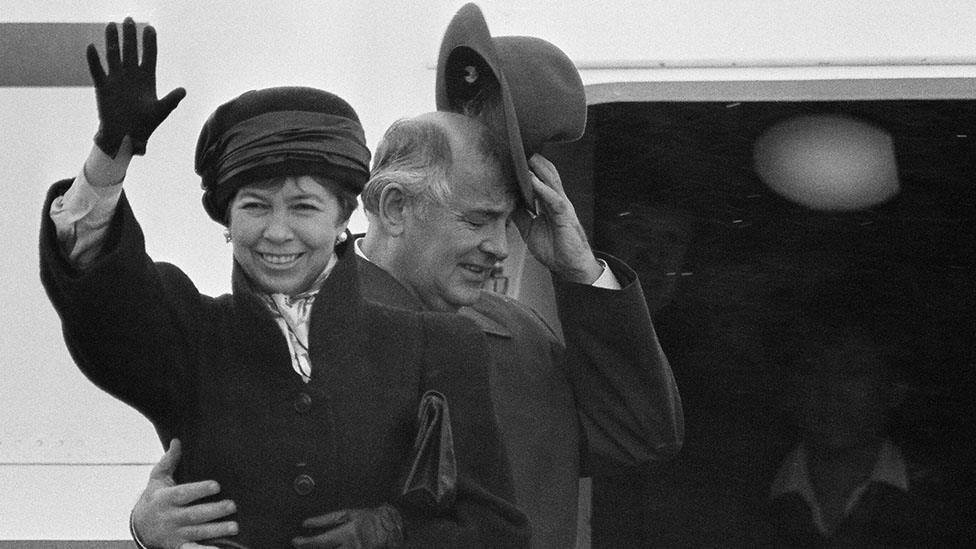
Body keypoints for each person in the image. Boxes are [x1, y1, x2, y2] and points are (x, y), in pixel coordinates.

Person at [132, 4, 684, 548]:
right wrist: (147, 532)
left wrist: (581, 269)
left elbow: (640, 436)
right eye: (477, 219)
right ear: (395, 208)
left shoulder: (520, 335)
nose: (498, 247)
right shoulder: (269, 332)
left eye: (508, 220)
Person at [39, 18, 528, 548]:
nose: (277, 231)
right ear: (227, 222)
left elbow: (498, 533)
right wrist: (111, 157)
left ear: (344, 216)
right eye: (254, 206)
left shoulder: (439, 346)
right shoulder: (191, 336)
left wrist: (391, 531)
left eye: (303, 206)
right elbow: (101, 297)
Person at [763, 324, 957, 546]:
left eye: (852, 371)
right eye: (812, 369)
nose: (830, 390)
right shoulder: (746, 496)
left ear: (895, 389)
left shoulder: (945, 502)